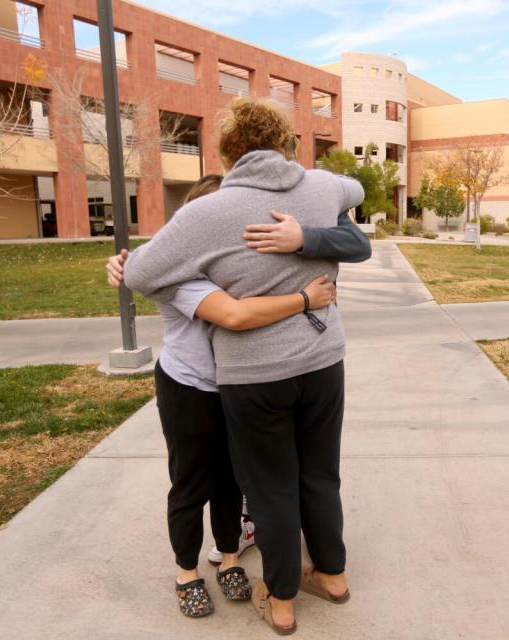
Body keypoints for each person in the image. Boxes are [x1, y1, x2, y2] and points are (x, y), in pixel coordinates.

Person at [118, 98, 363, 635]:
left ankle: (280, 603)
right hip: (324, 361)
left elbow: (139, 275)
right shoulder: (324, 187)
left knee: (272, 487)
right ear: (288, 142)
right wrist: (314, 230)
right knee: (321, 474)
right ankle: (334, 578)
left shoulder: (204, 213)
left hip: (256, 375)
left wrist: (129, 262)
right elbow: (358, 190)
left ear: (225, 152)